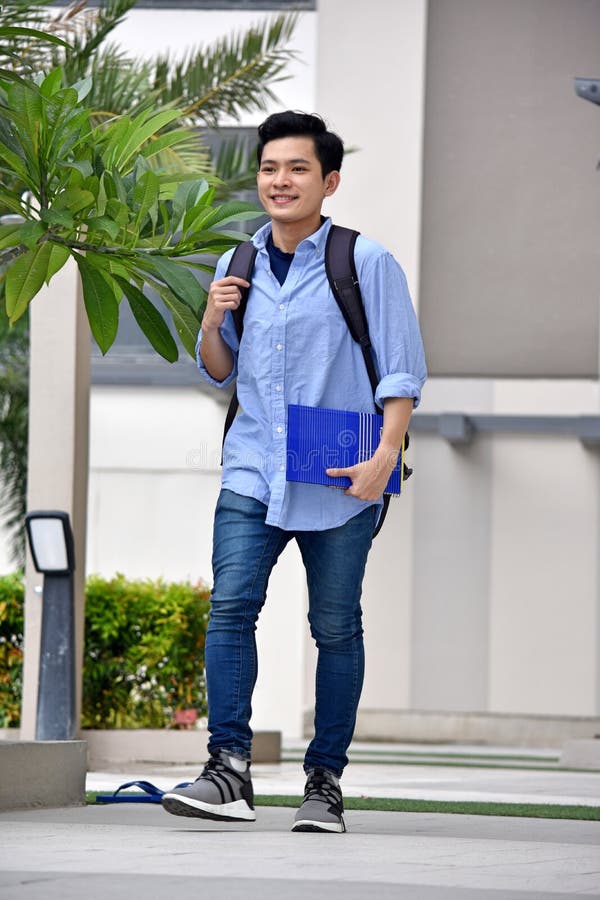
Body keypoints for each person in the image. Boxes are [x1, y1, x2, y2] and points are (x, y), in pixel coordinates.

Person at [161, 110, 427, 833]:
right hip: (253, 468)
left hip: (342, 478)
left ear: (328, 180)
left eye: (298, 168)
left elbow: (402, 374)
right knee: (230, 609)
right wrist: (213, 321)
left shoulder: (363, 262)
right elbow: (223, 371)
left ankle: (325, 781)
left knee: (335, 628)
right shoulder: (236, 262)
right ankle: (228, 771)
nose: (281, 180)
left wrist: (384, 459)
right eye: (271, 168)